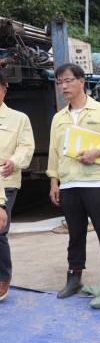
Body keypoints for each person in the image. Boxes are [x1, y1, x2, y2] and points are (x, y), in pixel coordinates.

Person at [47, 63, 100, 299]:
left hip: (95, 182)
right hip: (69, 183)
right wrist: (54, 181)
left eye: (68, 80)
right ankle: (74, 278)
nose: (63, 86)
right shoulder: (58, 118)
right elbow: (54, 152)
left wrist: (98, 151)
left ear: (82, 82)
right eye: (60, 82)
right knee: (75, 233)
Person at [0, 73, 35, 301]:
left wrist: (14, 161)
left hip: (5, 180)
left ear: (4, 89)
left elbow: (26, 147)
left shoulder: (18, 118)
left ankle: (3, 276)